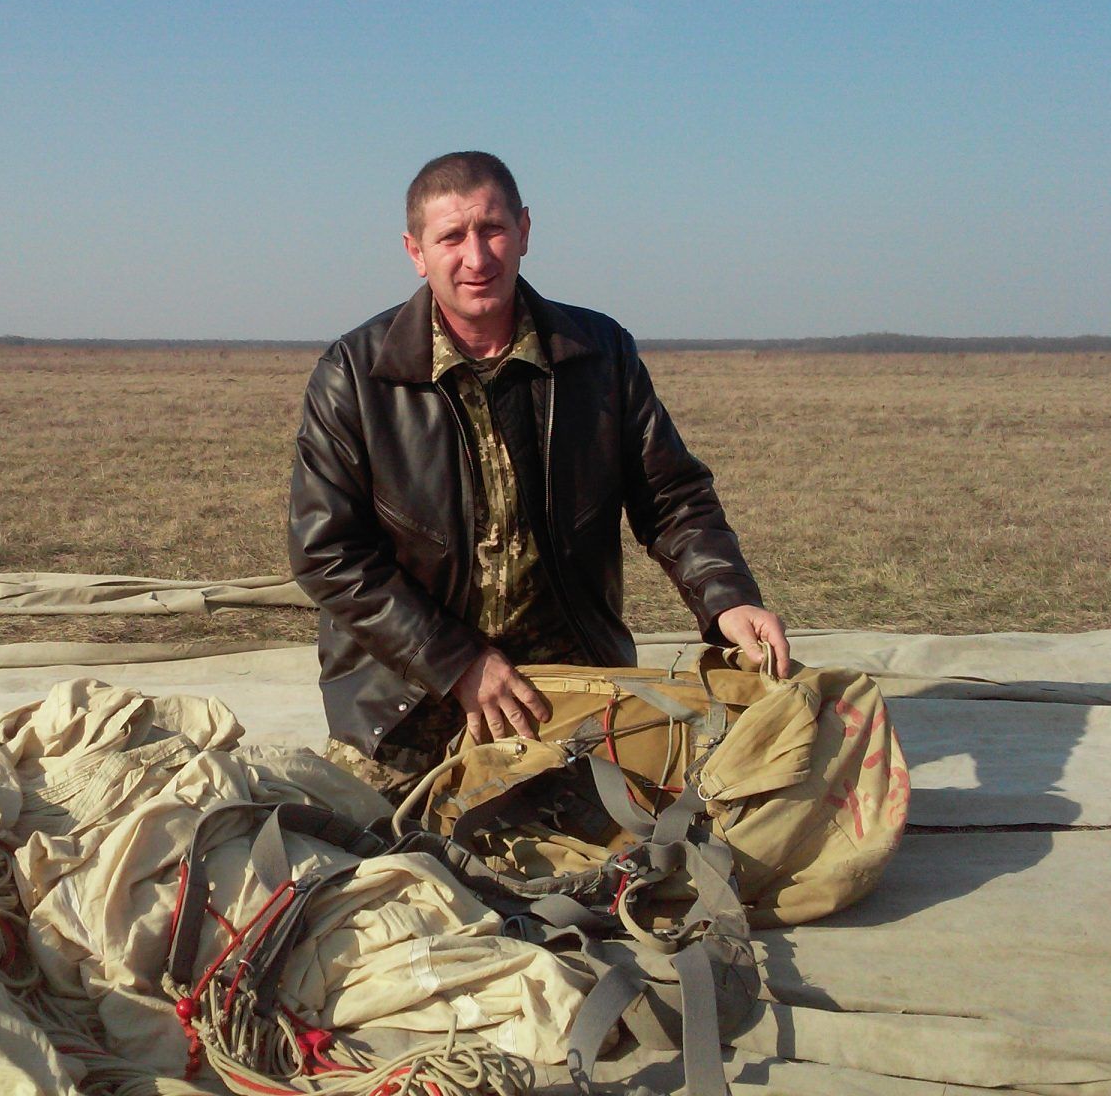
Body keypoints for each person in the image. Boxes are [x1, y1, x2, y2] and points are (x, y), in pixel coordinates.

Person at [288, 151, 789, 801]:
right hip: (407, 701)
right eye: (451, 237)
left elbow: (672, 497)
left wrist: (728, 598)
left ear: (524, 230)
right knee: (374, 845)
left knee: (658, 830)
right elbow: (327, 552)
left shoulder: (599, 353)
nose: (476, 257)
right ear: (416, 252)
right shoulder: (355, 374)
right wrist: (456, 661)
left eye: (493, 229)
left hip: (569, 687)